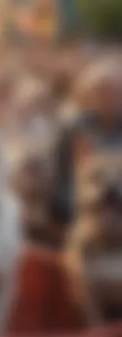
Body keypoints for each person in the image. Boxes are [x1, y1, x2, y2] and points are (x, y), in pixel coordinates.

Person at [49, 57, 122, 227]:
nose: (108, 98)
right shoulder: (73, 129)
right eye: (101, 92)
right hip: (82, 214)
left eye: (115, 92)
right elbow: (61, 177)